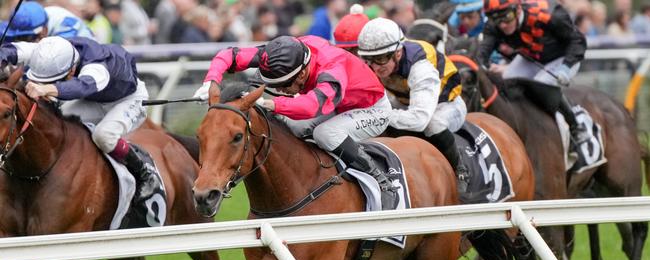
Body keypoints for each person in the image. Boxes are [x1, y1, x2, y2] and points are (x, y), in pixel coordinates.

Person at [192, 35, 399, 208]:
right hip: (340, 104)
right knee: (292, 126)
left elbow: (311, 106)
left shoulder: (332, 69)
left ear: (301, 74)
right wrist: (211, 81)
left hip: (371, 109)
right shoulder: (282, 53)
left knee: (325, 134)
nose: (280, 90)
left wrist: (272, 104)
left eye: (282, 85)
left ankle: (380, 179)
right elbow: (229, 55)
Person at [0, 36, 161, 203]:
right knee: (59, 120)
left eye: (55, 80)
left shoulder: (98, 68)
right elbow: (11, 50)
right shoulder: (49, 52)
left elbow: (83, 86)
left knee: (104, 136)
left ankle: (144, 172)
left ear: (70, 71)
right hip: (94, 99)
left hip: (127, 100)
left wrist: (46, 88)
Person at [357, 17, 470, 191]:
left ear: (398, 53)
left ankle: (460, 169)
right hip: (406, 100)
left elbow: (419, 120)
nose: (375, 68)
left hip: (447, 105)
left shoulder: (421, 67)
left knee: (433, 124)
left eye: (380, 59)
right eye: (369, 60)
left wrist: (381, 115)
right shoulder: (380, 64)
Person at [479, 0, 589, 144]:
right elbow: (483, 53)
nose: (502, 25)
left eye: (506, 17)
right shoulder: (494, 25)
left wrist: (566, 67)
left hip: (561, 57)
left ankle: (576, 125)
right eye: (495, 19)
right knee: (507, 79)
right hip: (532, 57)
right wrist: (482, 66)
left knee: (541, 83)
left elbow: (577, 40)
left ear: (518, 10)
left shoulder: (551, 15)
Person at [5, 1, 95, 42]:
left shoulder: (66, 28)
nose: (22, 42)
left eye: (26, 38)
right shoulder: (38, 15)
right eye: (19, 38)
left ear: (43, 31)